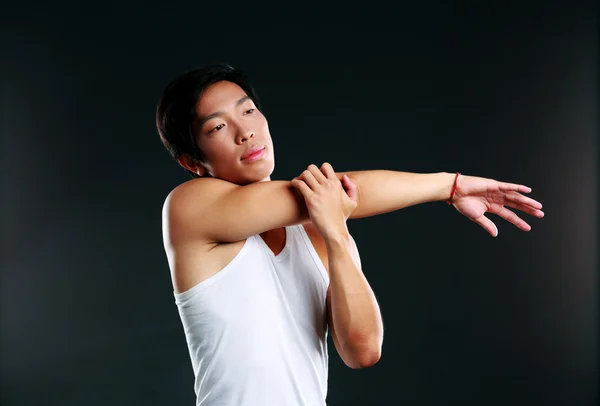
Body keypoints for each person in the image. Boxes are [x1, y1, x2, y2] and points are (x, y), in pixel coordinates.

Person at [155, 63, 544, 405]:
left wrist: (337, 236)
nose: (246, 132)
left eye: (250, 111)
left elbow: (362, 350)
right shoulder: (189, 207)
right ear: (193, 161)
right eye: (218, 127)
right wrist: (451, 185)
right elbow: (341, 191)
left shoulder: (324, 224)